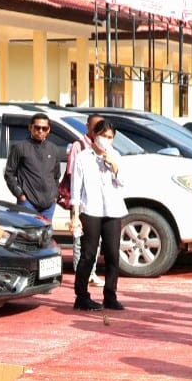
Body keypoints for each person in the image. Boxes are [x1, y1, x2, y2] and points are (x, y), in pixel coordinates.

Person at [70, 118, 127, 312]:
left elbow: (123, 182)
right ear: (94, 135)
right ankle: (81, 296)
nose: (106, 140)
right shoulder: (83, 157)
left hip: (112, 210)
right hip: (90, 210)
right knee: (88, 254)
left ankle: (110, 295)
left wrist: (114, 166)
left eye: (110, 137)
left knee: (112, 254)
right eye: (103, 135)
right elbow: (76, 189)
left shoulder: (115, 155)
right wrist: (75, 215)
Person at [6, 112, 63, 224]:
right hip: (28, 203)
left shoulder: (54, 149)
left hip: (49, 205)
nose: (40, 131)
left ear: (48, 130)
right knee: (28, 232)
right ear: (30, 128)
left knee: (45, 232)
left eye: (44, 128)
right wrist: (20, 195)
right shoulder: (20, 147)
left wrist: (55, 196)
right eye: (37, 127)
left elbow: (56, 175)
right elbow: (9, 174)